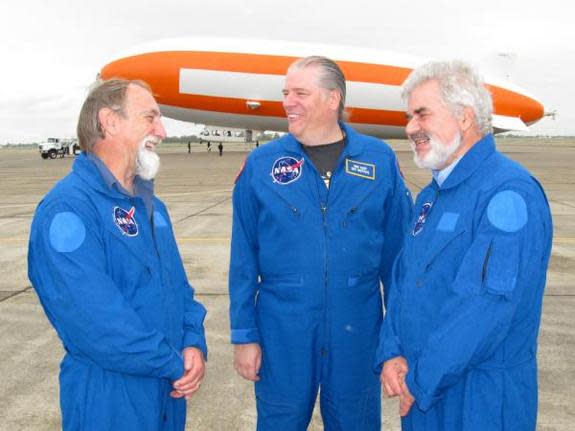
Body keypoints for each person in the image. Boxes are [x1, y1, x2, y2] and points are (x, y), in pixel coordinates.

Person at [229, 56, 412, 430]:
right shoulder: (262, 164)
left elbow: (398, 261)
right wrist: (245, 335)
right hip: (283, 333)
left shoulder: (379, 160)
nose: (288, 102)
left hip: (358, 334)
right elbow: (243, 257)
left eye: (300, 92)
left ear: (333, 99)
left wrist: (397, 339)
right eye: (285, 93)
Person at [377, 61, 553, 430]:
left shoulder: (508, 194)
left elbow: (483, 309)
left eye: (422, 114)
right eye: (409, 116)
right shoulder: (430, 196)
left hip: (480, 399)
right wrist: (391, 351)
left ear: (464, 117)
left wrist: (420, 380)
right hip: (424, 391)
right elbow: (403, 279)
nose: (410, 128)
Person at [28, 79, 208, 431]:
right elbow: (95, 323)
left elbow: (180, 291)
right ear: (110, 122)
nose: (163, 130)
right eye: (150, 118)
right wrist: (174, 363)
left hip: (167, 390)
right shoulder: (68, 210)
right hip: (110, 396)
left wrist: (193, 344)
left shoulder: (153, 208)